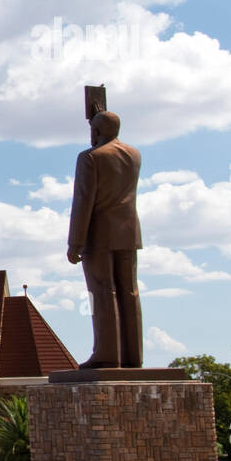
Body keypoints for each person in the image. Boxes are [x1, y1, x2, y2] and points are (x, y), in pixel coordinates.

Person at [67, 110, 143, 369]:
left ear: (96, 132)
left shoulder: (90, 158)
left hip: (98, 233)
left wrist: (75, 242)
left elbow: (83, 200)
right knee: (129, 292)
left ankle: (108, 355)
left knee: (102, 292)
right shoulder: (134, 155)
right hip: (128, 232)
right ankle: (133, 357)